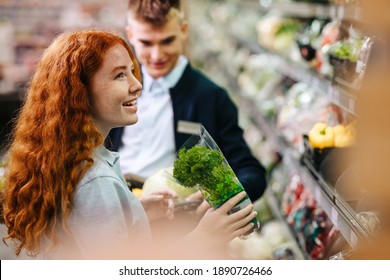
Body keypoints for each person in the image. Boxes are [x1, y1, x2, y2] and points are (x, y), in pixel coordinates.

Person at [1, 28, 257, 259]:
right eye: (119, 76)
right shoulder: (96, 181)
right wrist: (204, 238)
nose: (137, 85)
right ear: (80, 92)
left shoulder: (72, 156)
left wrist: (134, 210)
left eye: (132, 72)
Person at [105, 0, 267, 202]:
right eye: (146, 43)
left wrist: (218, 196)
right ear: (130, 35)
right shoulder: (114, 87)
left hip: (175, 218)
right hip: (118, 205)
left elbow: (251, 172)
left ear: (183, 30)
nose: (157, 55)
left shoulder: (211, 97)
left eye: (167, 41)